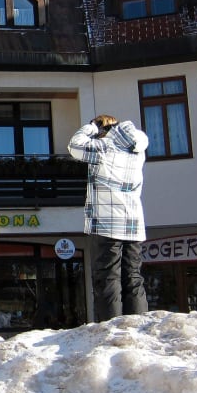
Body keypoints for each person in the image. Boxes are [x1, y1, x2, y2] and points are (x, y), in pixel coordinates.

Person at [67, 114, 150, 321]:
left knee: (108, 277)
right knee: (133, 276)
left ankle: (111, 327)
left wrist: (91, 128)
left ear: (104, 130)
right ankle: (138, 325)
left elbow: (75, 147)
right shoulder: (137, 150)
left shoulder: (104, 148)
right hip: (134, 224)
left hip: (107, 224)